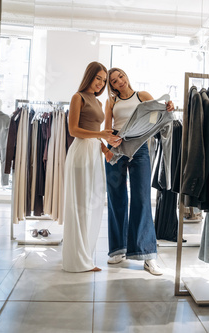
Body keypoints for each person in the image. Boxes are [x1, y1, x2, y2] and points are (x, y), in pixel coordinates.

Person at [104, 67, 174, 275]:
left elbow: (159, 114)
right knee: (116, 197)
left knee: (142, 198)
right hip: (116, 146)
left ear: (126, 76)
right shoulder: (112, 102)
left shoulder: (142, 96)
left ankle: (147, 255)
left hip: (140, 146)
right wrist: (107, 146)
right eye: (114, 81)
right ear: (112, 86)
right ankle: (118, 249)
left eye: (121, 77)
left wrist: (169, 107)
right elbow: (107, 129)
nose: (119, 82)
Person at [62, 62, 120, 273]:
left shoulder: (97, 101)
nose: (101, 83)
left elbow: (97, 134)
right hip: (80, 155)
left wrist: (105, 150)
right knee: (78, 206)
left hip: (93, 154)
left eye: (104, 80)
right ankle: (75, 261)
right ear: (89, 76)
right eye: (98, 78)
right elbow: (73, 130)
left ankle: (84, 256)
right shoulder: (78, 97)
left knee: (90, 206)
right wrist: (101, 136)